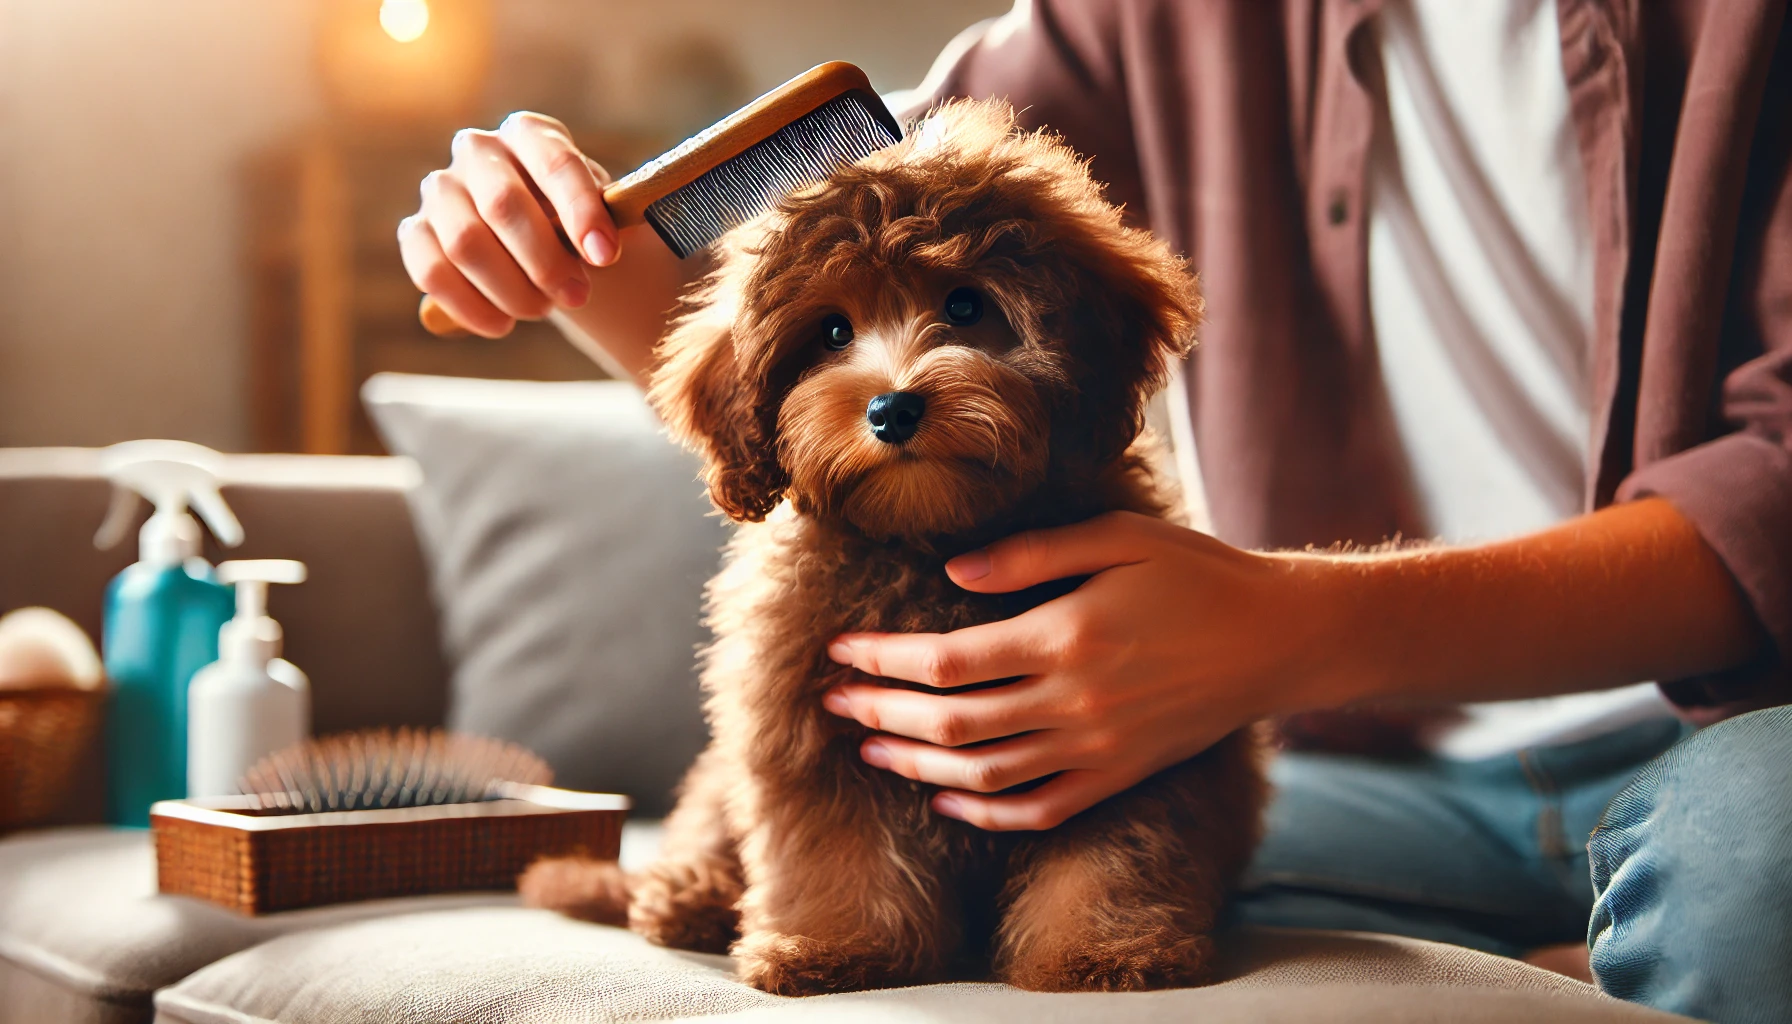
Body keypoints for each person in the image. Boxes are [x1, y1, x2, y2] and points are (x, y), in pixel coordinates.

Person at [399, 2, 1792, 1019]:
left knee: (1759, 869)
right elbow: (824, 306)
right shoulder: (1130, 22)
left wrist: (1284, 631)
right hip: (1355, 775)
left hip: (1735, 734)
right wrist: (556, 253)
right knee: (1019, 874)